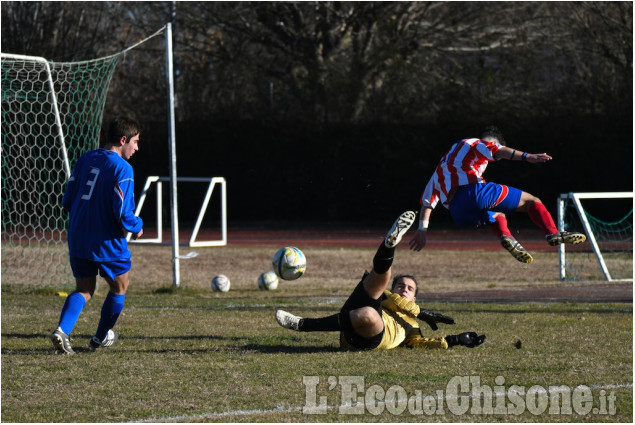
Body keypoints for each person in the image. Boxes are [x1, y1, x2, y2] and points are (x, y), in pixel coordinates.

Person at [276, 211, 486, 351]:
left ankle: (303, 324)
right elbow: (388, 294)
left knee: (368, 313)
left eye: (409, 289)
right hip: (361, 310)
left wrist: (454, 340)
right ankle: (389, 244)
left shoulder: (413, 327)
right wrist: (420, 311)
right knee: (380, 276)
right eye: (401, 286)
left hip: (370, 339)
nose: (404, 290)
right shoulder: (388, 298)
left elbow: (420, 344)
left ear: (415, 297)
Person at [408, 125, 586, 263]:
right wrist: (528, 156)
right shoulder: (474, 143)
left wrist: (422, 230)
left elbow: (427, 203)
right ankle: (553, 233)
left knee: (496, 215)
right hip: (473, 193)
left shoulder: (442, 167)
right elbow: (499, 150)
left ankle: (507, 237)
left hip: (457, 213)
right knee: (532, 201)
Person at [50, 116, 144, 355]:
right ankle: (100, 338)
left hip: (78, 235)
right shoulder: (123, 168)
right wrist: (137, 225)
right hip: (106, 240)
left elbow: (68, 200)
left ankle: (62, 331)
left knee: (84, 289)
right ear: (123, 140)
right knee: (120, 286)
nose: (136, 148)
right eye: (134, 142)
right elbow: (122, 211)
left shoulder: (85, 158)